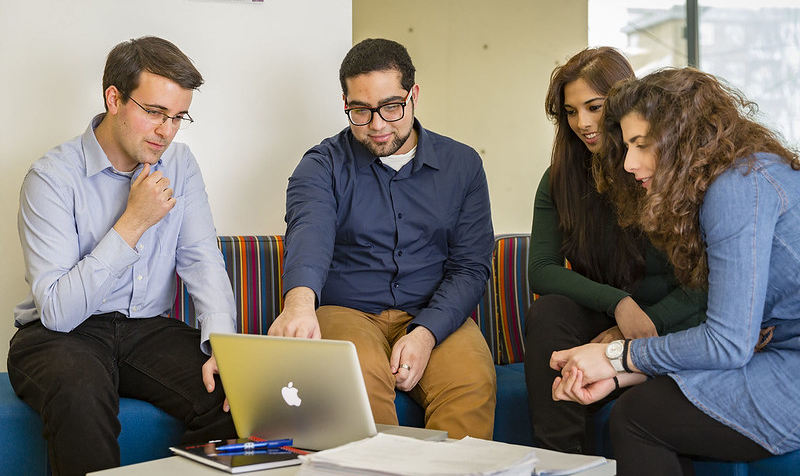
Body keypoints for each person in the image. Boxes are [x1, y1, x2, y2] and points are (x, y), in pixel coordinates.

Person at [551, 67, 800, 475]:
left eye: (641, 145)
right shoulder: (744, 173)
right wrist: (622, 374)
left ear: (682, 139)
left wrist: (616, 357)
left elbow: (727, 344)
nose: (629, 163)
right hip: (777, 354)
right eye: (626, 146)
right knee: (642, 405)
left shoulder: (736, 188)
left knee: (637, 418)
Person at [8, 36, 238, 476]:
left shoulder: (181, 164)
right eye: (155, 112)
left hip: (146, 329)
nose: (167, 131)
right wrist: (133, 222)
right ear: (114, 99)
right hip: (59, 334)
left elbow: (202, 259)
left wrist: (223, 345)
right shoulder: (51, 178)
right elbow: (58, 312)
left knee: (234, 395)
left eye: (178, 117)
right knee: (79, 393)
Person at [268, 38, 497, 440]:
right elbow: (309, 231)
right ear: (345, 103)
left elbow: (470, 267)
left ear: (414, 96)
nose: (377, 125)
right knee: (358, 380)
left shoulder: (462, 165)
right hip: (348, 310)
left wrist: (425, 333)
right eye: (361, 110)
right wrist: (299, 304)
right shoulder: (321, 165)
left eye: (391, 107)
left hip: (434, 308)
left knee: (471, 382)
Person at [524, 47, 707, 454]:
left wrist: (635, 326)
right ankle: (560, 462)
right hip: (609, 317)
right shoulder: (558, 180)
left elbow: (703, 282)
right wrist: (618, 305)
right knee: (549, 312)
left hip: (670, 323)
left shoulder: (662, 170)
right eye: (570, 112)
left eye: (594, 107)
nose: (583, 123)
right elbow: (541, 270)